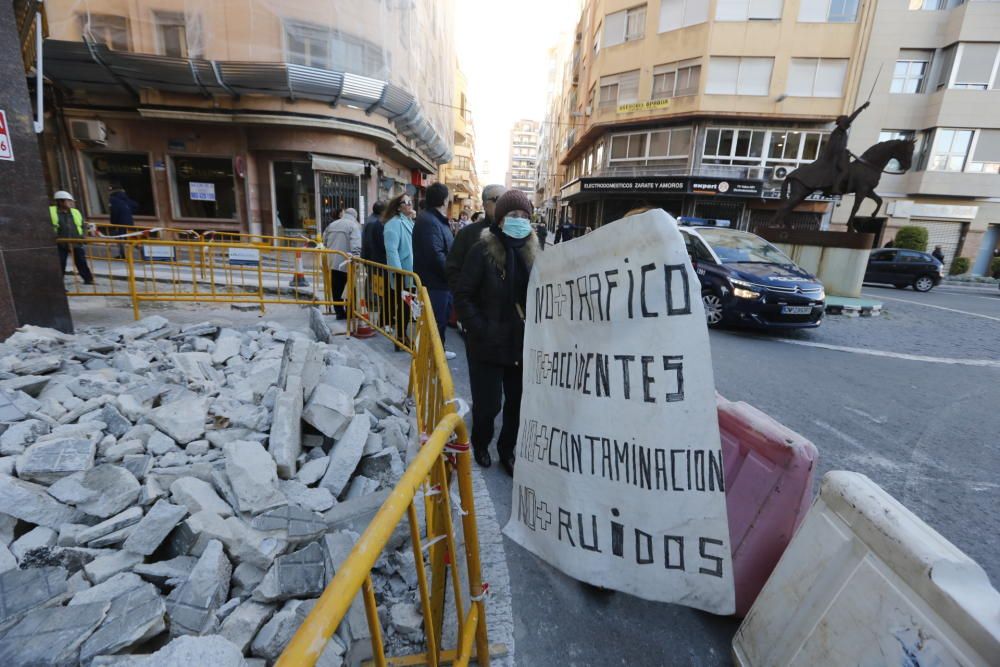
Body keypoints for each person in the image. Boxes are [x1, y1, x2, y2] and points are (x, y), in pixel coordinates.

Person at [455, 189, 539, 476]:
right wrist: (480, 328)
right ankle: (481, 443)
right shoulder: (482, 251)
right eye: (513, 216)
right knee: (489, 405)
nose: (519, 220)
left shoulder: (535, 254)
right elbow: (463, 295)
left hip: (519, 345)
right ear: (500, 219)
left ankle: (507, 451)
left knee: (516, 405)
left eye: (524, 216)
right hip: (487, 345)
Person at [412, 182, 456, 358]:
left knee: (439, 320)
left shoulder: (433, 219)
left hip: (439, 282)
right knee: (435, 321)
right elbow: (435, 254)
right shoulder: (430, 222)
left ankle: (438, 351)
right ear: (444, 200)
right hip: (436, 283)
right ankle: (432, 355)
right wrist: (451, 274)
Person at [446, 184, 505, 297]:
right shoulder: (467, 233)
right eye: (499, 200)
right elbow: (452, 270)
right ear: (485, 205)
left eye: (507, 200)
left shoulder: (514, 234)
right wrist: (466, 302)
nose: (504, 204)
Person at [383, 193, 416, 347]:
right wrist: (399, 273)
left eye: (410, 201)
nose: (409, 204)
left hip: (410, 272)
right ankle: (401, 337)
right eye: (406, 202)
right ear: (398, 207)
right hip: (403, 273)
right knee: (404, 306)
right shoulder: (393, 224)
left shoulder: (407, 221)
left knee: (408, 306)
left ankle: (402, 335)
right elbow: (392, 251)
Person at [821, 101, 869, 195]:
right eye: (846, 121)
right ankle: (835, 188)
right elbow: (852, 118)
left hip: (840, 153)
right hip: (837, 155)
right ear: (841, 122)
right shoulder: (839, 130)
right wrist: (861, 108)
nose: (848, 123)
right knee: (845, 170)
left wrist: (846, 151)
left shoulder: (841, 132)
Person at [322, 208, 362, 319]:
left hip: (333, 262)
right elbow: (356, 244)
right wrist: (356, 257)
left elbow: (324, 240)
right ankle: (350, 312)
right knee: (350, 288)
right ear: (355, 216)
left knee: (336, 288)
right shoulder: (354, 226)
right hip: (347, 263)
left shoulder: (332, 225)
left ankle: (339, 312)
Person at [50, 190, 94, 285]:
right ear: (60, 201)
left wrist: (83, 236)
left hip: (76, 241)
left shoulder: (75, 212)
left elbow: (82, 225)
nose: (71, 203)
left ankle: (88, 279)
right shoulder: (51, 211)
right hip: (60, 242)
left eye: (71, 201)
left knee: (81, 261)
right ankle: (58, 285)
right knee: (60, 263)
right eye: (68, 201)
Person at [107, 183, 138, 258]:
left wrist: (113, 223)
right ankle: (135, 253)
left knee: (121, 238)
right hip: (129, 221)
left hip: (119, 222)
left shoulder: (113, 199)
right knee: (129, 238)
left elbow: (114, 212)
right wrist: (129, 212)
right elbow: (135, 205)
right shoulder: (125, 198)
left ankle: (123, 255)